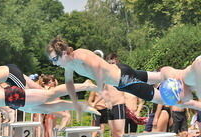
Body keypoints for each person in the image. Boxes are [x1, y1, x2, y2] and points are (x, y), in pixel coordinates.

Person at [46, 36, 201, 112]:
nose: (54, 63)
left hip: (125, 80)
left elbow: (96, 68)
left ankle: (193, 99)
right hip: (122, 71)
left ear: (64, 53)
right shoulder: (70, 65)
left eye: (55, 59)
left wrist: (102, 90)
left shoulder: (79, 56)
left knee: (168, 99)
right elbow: (68, 84)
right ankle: (189, 72)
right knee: (160, 77)